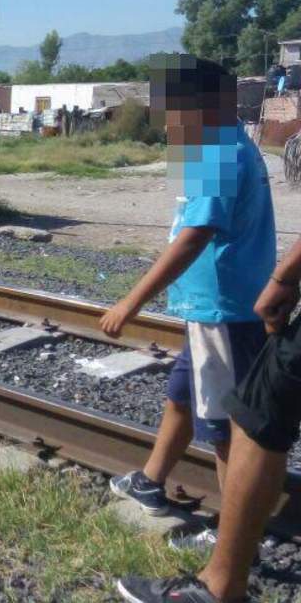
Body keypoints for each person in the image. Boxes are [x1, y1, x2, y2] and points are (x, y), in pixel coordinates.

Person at [104, 56, 277, 603]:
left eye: (170, 107)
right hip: (211, 309)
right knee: (182, 394)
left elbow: (194, 236)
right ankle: (151, 481)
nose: (164, 119)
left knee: (228, 430)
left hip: (223, 310)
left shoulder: (218, 151)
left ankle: (233, 541)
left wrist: (130, 302)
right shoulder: (223, 142)